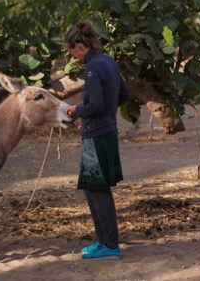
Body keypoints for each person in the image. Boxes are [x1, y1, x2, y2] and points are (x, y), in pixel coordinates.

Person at [65, 20, 131, 259]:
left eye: (71, 51)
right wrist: (100, 115)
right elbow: (124, 95)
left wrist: (78, 111)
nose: (72, 56)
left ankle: (110, 245)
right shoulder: (109, 61)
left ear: (78, 46)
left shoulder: (92, 68)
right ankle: (102, 241)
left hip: (97, 137)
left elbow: (95, 104)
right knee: (93, 189)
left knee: (97, 190)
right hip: (107, 131)